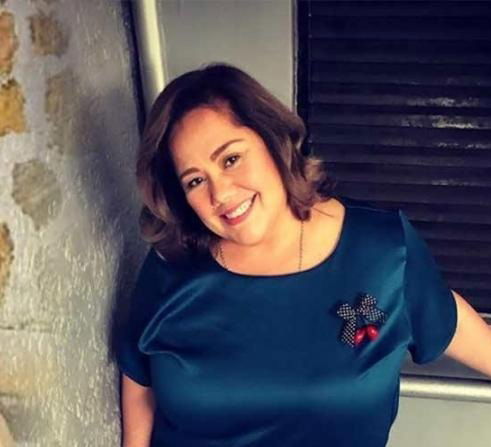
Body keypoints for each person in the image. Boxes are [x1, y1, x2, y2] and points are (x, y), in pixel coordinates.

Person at [116, 63, 491, 447]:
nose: (221, 194)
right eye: (195, 180)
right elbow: (139, 373)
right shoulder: (171, 266)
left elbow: (446, 316)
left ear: (272, 140)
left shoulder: (383, 251)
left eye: (231, 159)